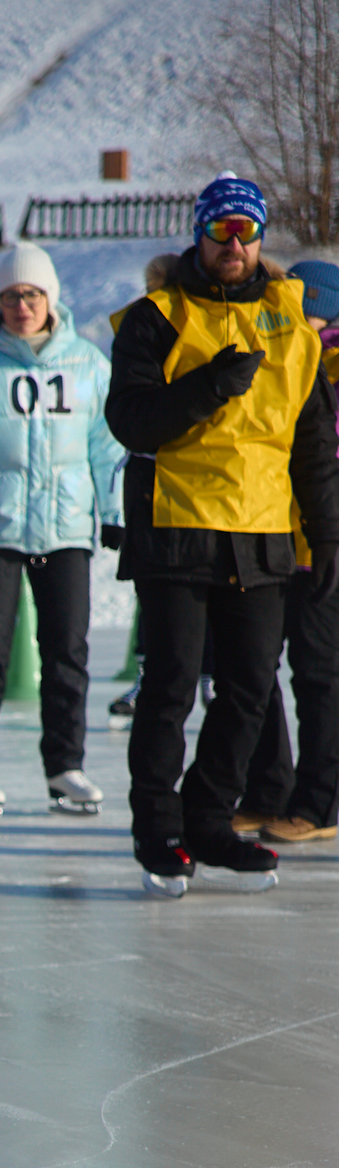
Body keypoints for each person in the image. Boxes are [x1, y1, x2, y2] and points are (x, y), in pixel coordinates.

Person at [105, 173, 339, 894]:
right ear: (199, 235)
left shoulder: (292, 327)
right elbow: (132, 421)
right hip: (178, 528)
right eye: (219, 230)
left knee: (248, 689)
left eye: (245, 230)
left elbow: (312, 447)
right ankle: (157, 829)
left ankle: (210, 818)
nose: (232, 244)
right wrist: (207, 386)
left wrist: (327, 537)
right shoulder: (156, 316)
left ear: (261, 237)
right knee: (170, 687)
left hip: (263, 534)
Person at [0, 244, 123, 814]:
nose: (20, 306)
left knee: (68, 649)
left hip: (64, 529)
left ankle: (66, 766)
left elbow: (107, 445)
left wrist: (112, 512)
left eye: (30, 295)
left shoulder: (86, 363)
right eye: (10, 296)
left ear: (50, 299)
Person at [232, 256, 339, 845]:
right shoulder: (275, 352)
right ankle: (268, 786)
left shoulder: (326, 362)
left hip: (319, 547)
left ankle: (322, 801)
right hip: (268, 538)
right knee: (253, 671)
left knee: (319, 674)